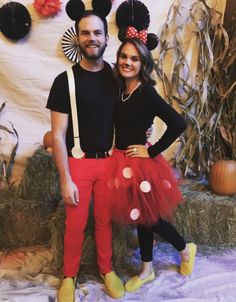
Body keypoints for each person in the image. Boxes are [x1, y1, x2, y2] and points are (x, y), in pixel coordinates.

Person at [107, 37, 197, 292]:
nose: (128, 62)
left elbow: (178, 123)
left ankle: (183, 249)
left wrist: (152, 151)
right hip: (120, 161)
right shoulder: (121, 90)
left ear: (143, 63)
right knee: (142, 217)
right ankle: (148, 267)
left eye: (134, 58)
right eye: (124, 56)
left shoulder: (146, 91)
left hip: (140, 165)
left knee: (148, 217)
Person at [46, 11, 124, 301]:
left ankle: (107, 269)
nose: (92, 38)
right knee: (75, 224)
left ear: (106, 37)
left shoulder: (117, 76)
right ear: (78, 38)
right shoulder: (63, 81)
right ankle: (69, 276)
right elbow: (56, 135)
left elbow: (129, 116)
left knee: (105, 221)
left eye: (98, 33)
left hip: (109, 164)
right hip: (78, 163)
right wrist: (65, 179)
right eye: (86, 33)